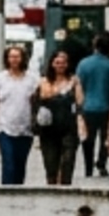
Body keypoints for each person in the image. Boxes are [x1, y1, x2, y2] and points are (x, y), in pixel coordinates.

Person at [0, 42, 35, 187]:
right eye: (11, 57)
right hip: (4, 127)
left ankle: (18, 192)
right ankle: (6, 191)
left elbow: (36, 103)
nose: (14, 60)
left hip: (26, 129)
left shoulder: (32, 79)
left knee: (20, 164)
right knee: (8, 162)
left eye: (17, 56)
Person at [74, 36, 109, 179]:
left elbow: (78, 85)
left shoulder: (83, 64)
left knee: (87, 139)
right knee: (105, 137)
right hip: (106, 106)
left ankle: (88, 167)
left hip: (88, 106)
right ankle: (102, 162)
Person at [34, 50, 81, 186]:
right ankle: (52, 188)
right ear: (52, 64)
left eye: (64, 63)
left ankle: (66, 189)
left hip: (69, 127)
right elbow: (40, 97)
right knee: (50, 164)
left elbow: (80, 102)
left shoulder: (74, 81)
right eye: (57, 62)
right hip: (48, 128)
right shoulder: (43, 81)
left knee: (68, 161)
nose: (61, 65)